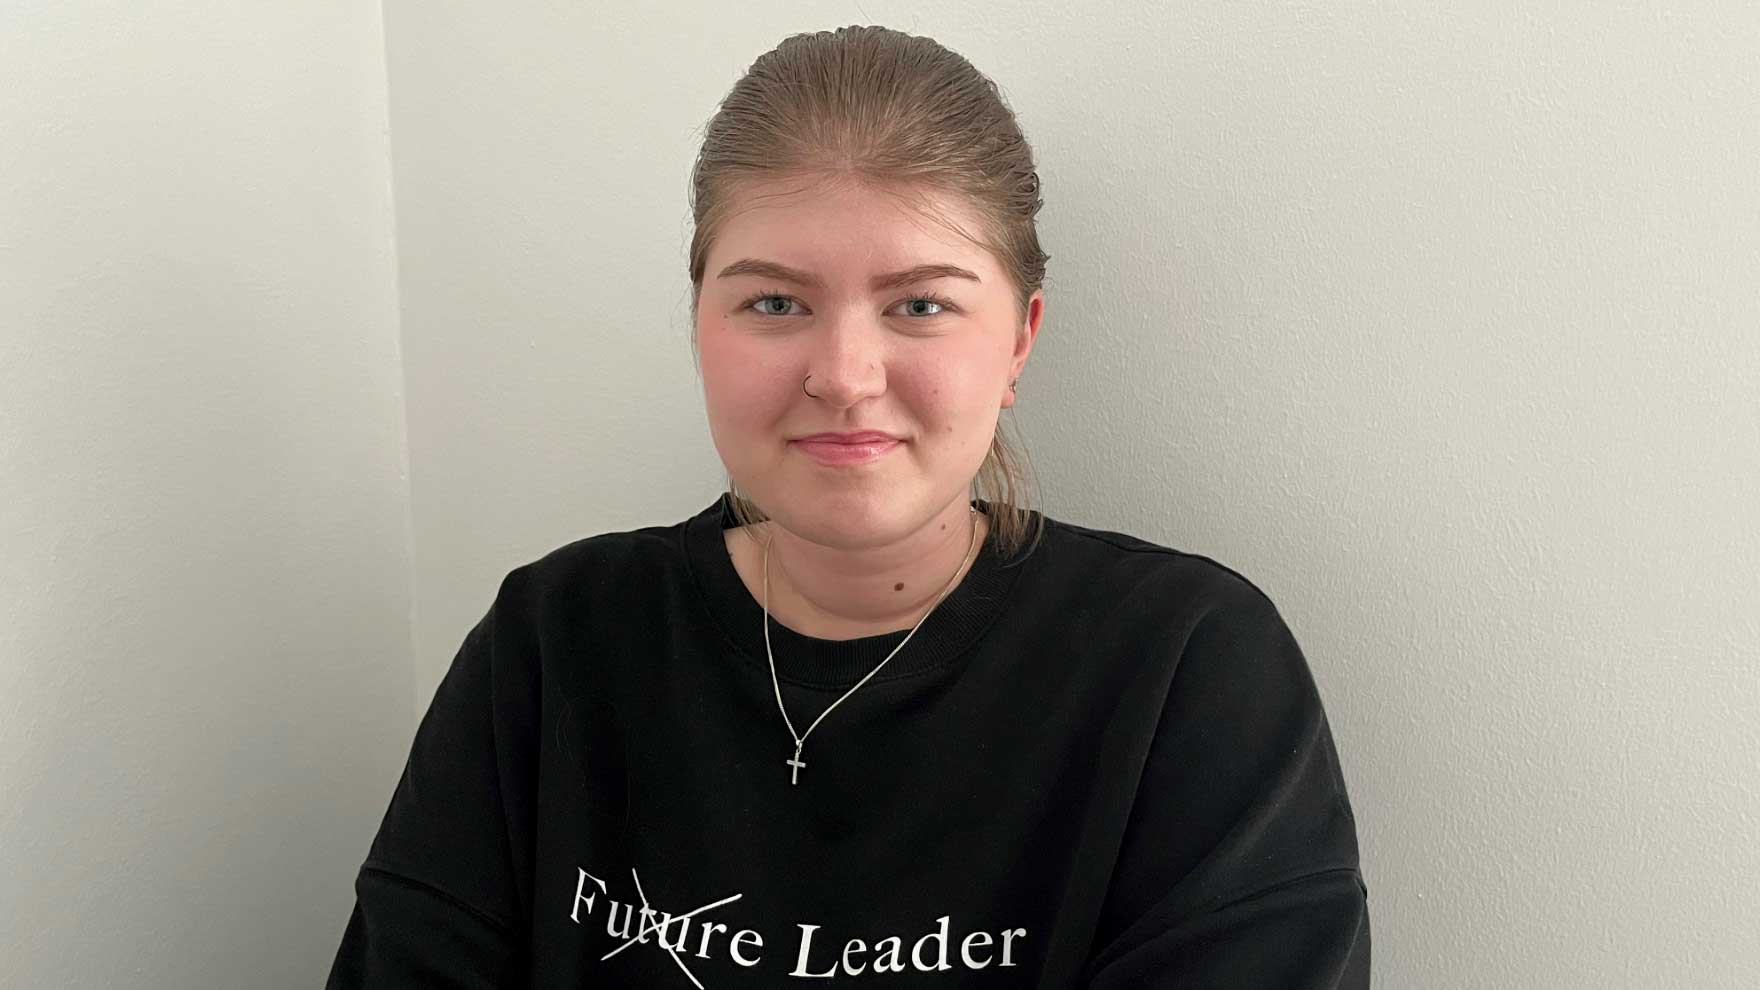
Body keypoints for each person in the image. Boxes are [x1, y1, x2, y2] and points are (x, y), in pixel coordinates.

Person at [326, 24, 1369, 989]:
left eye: (920, 304)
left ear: (1018, 339)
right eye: (774, 302)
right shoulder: (555, 641)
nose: (843, 375)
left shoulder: (1185, 667)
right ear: (698, 322)